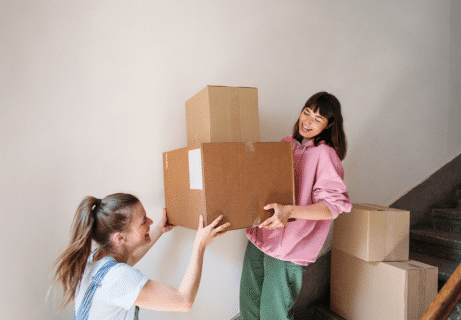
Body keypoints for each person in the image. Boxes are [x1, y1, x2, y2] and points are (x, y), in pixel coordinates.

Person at [239, 92, 352, 319]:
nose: (307, 121)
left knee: (274, 313)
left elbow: (332, 207)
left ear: (329, 125)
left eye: (317, 119)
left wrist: (289, 211)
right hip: (260, 236)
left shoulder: (325, 155)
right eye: (306, 112)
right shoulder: (286, 144)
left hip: (290, 248)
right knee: (248, 305)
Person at [51, 193, 229, 319]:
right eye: (144, 220)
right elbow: (183, 301)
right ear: (120, 238)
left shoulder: (95, 259)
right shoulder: (117, 278)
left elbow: (131, 257)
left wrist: (159, 229)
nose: (150, 222)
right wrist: (199, 245)